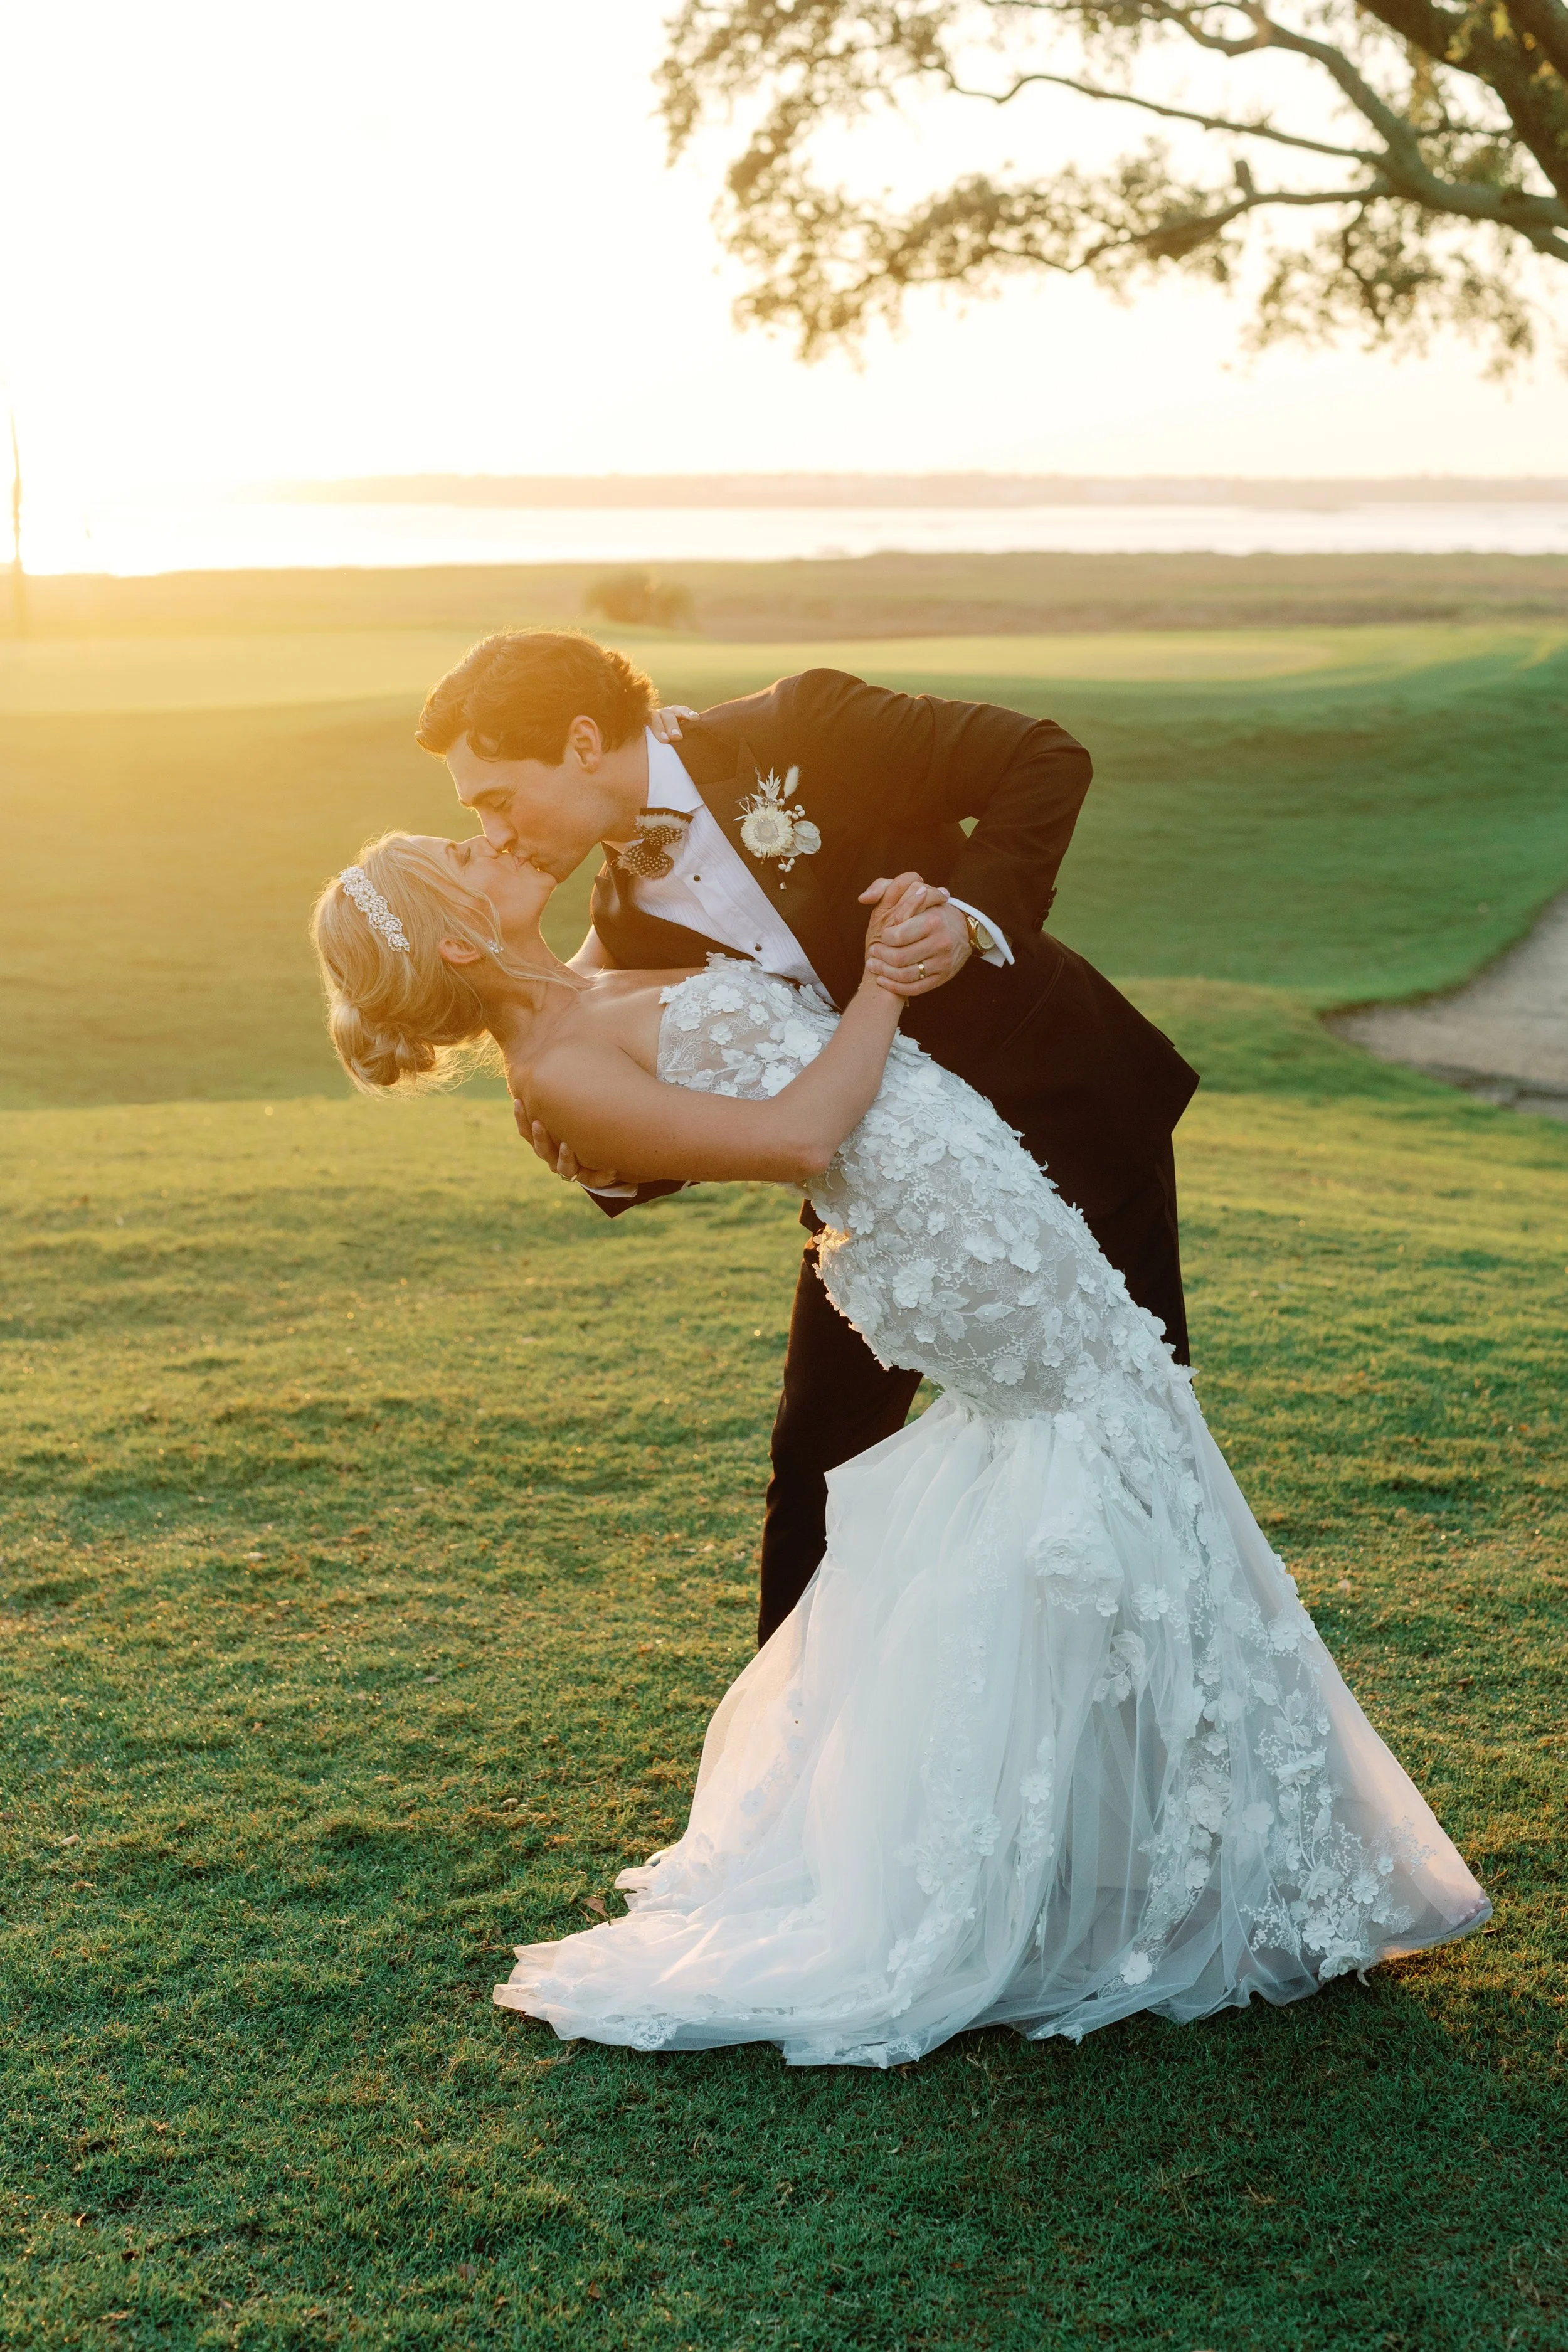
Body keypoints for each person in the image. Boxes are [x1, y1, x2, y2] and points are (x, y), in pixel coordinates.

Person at [309, 832, 1489, 2068]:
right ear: (456, 938)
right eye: (460, 853)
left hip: (979, 1187)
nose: (486, 840)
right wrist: (879, 985)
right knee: (1104, 1448)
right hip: (938, 1247)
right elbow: (789, 1141)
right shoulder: (554, 1067)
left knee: (1113, 1449)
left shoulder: (596, 980)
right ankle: (1199, 1864)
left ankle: (1159, 1850)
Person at [411, 629, 1199, 1645]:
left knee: (1135, 1421)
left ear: (577, 742)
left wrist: (967, 916)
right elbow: (705, 1098)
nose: (496, 831)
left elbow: (1043, 757)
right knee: (817, 1458)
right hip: (881, 1199)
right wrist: (604, 1158)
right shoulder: (622, 915)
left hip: (1067, 1111)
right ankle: (789, 1765)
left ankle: (1165, 1715)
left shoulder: (802, 726)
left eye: (495, 798)